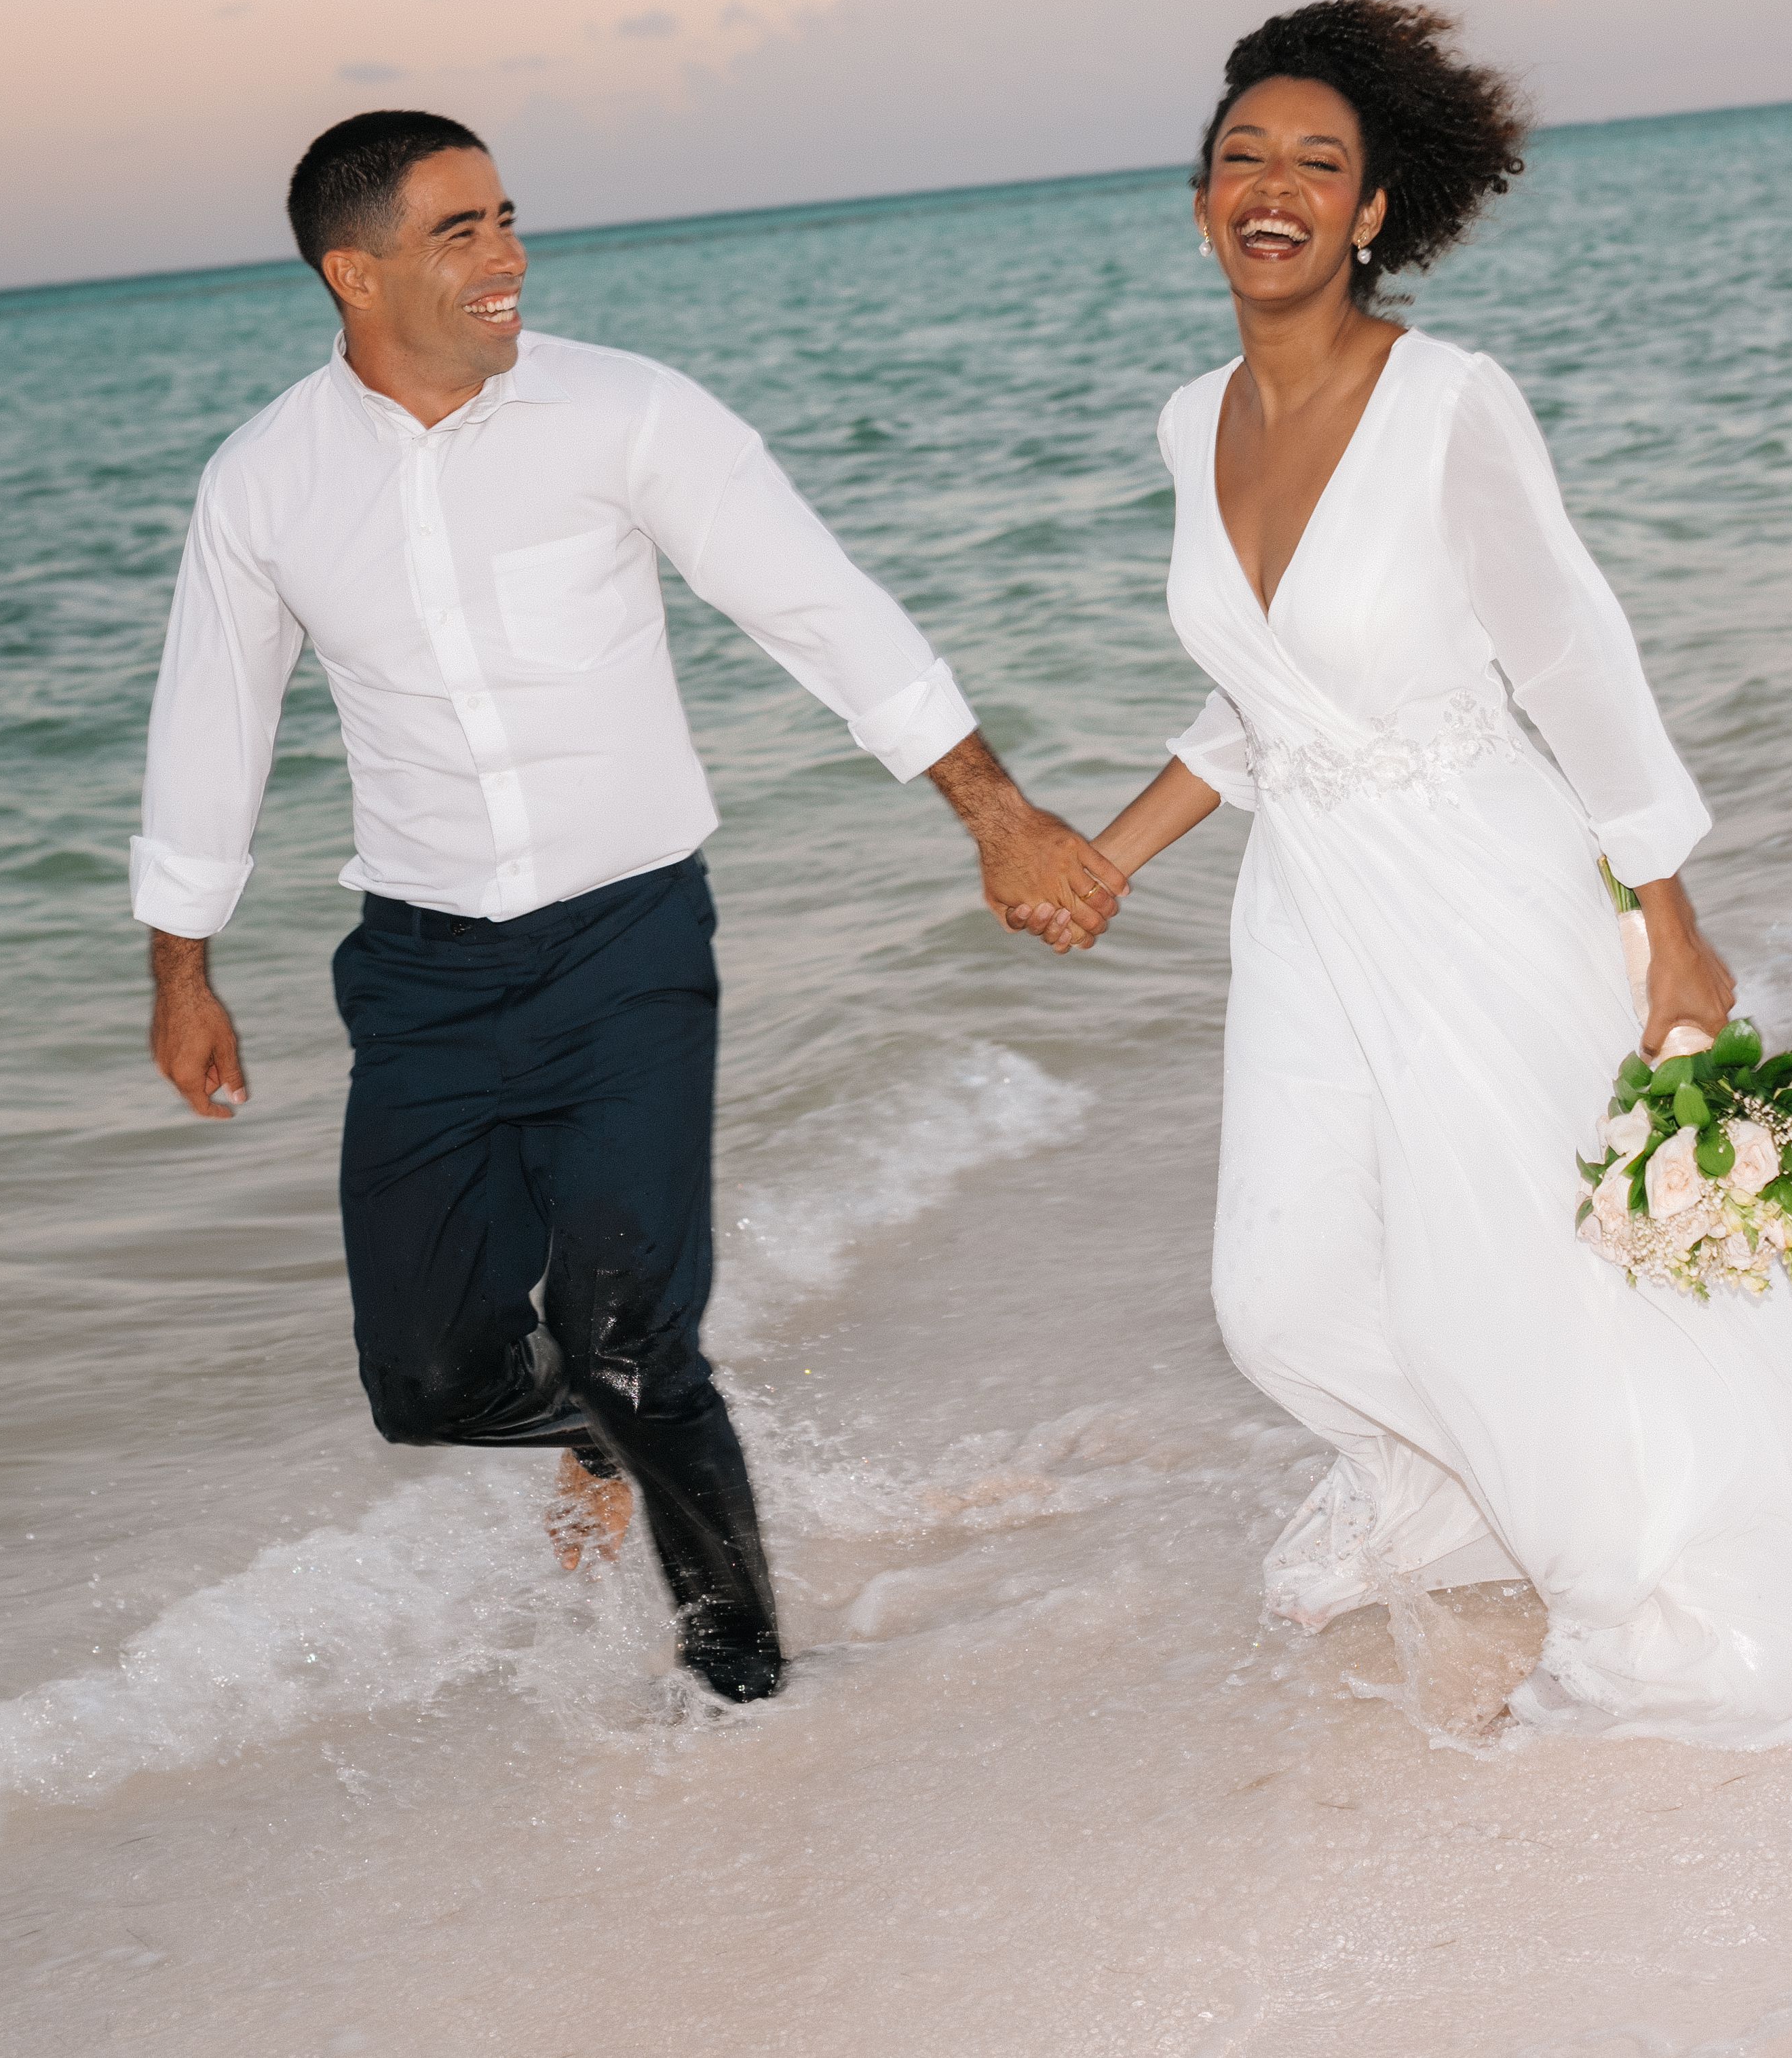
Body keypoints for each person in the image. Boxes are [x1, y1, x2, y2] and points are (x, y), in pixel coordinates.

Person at [133, 110, 1128, 1704]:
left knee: (625, 1336)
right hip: (419, 975)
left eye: (507, 218)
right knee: (430, 1382)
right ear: (355, 271)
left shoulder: (627, 412)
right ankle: (607, 1439)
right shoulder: (265, 483)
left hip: (628, 946)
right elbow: (210, 726)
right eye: (459, 231)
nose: (508, 256)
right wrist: (180, 967)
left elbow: (822, 610)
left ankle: (741, 1672)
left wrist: (996, 815)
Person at [1072, 0, 1792, 1745]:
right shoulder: (1192, 421)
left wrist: (1671, 931)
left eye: (1318, 164)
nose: (1274, 186)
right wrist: (1106, 858)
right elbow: (1263, 695)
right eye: (1241, 156)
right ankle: (1462, 1490)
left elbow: (1577, 664)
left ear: (1375, 211)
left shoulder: (1449, 403)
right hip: (1309, 904)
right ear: (1197, 201)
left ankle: (1627, 1583)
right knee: (1282, 1295)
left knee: (1514, 1280)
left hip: (1482, 878)